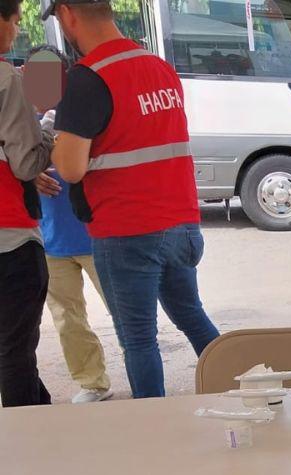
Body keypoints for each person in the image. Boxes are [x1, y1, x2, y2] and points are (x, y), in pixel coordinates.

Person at [44, 0, 218, 399]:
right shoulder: (159, 67)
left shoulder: (86, 78)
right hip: (181, 224)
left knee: (139, 341)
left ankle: (152, 430)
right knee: (191, 316)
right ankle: (243, 390)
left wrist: (51, 136)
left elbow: (69, 169)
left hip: (126, 231)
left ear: (68, 14)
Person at [0, 0, 54, 407]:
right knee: (15, 353)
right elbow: (26, 163)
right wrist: (49, 130)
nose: (16, 30)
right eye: (16, 20)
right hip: (11, 238)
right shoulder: (6, 79)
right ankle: (31, 443)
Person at [35, 163, 114, 403]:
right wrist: (28, 173)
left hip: (101, 234)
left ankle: (144, 380)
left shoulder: (83, 123)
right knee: (67, 320)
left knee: (125, 316)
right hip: (50, 237)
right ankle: (93, 383)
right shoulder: (24, 125)